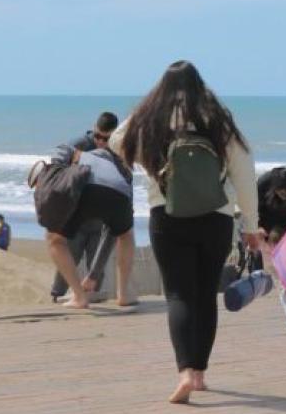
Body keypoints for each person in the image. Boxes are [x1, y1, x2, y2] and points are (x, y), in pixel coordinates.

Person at [110, 60, 262, 404]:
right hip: (216, 216)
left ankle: (183, 373)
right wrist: (251, 225)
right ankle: (200, 373)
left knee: (178, 294)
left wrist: (152, 163)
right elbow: (244, 167)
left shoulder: (152, 116)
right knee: (205, 294)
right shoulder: (217, 117)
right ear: (200, 85)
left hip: (166, 213)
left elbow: (118, 142)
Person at [30, 142, 136, 310]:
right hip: (120, 192)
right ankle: (123, 294)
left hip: (87, 188)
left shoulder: (69, 152)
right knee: (126, 235)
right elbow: (111, 233)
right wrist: (93, 275)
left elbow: (62, 152)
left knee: (54, 240)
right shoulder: (112, 164)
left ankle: (79, 297)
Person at [49, 112, 120, 302]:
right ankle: (57, 298)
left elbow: (124, 181)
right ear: (93, 129)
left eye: (107, 139)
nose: (101, 142)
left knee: (97, 270)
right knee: (69, 262)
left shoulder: (117, 150)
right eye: (98, 136)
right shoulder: (80, 144)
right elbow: (57, 158)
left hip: (100, 219)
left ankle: (90, 300)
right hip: (77, 217)